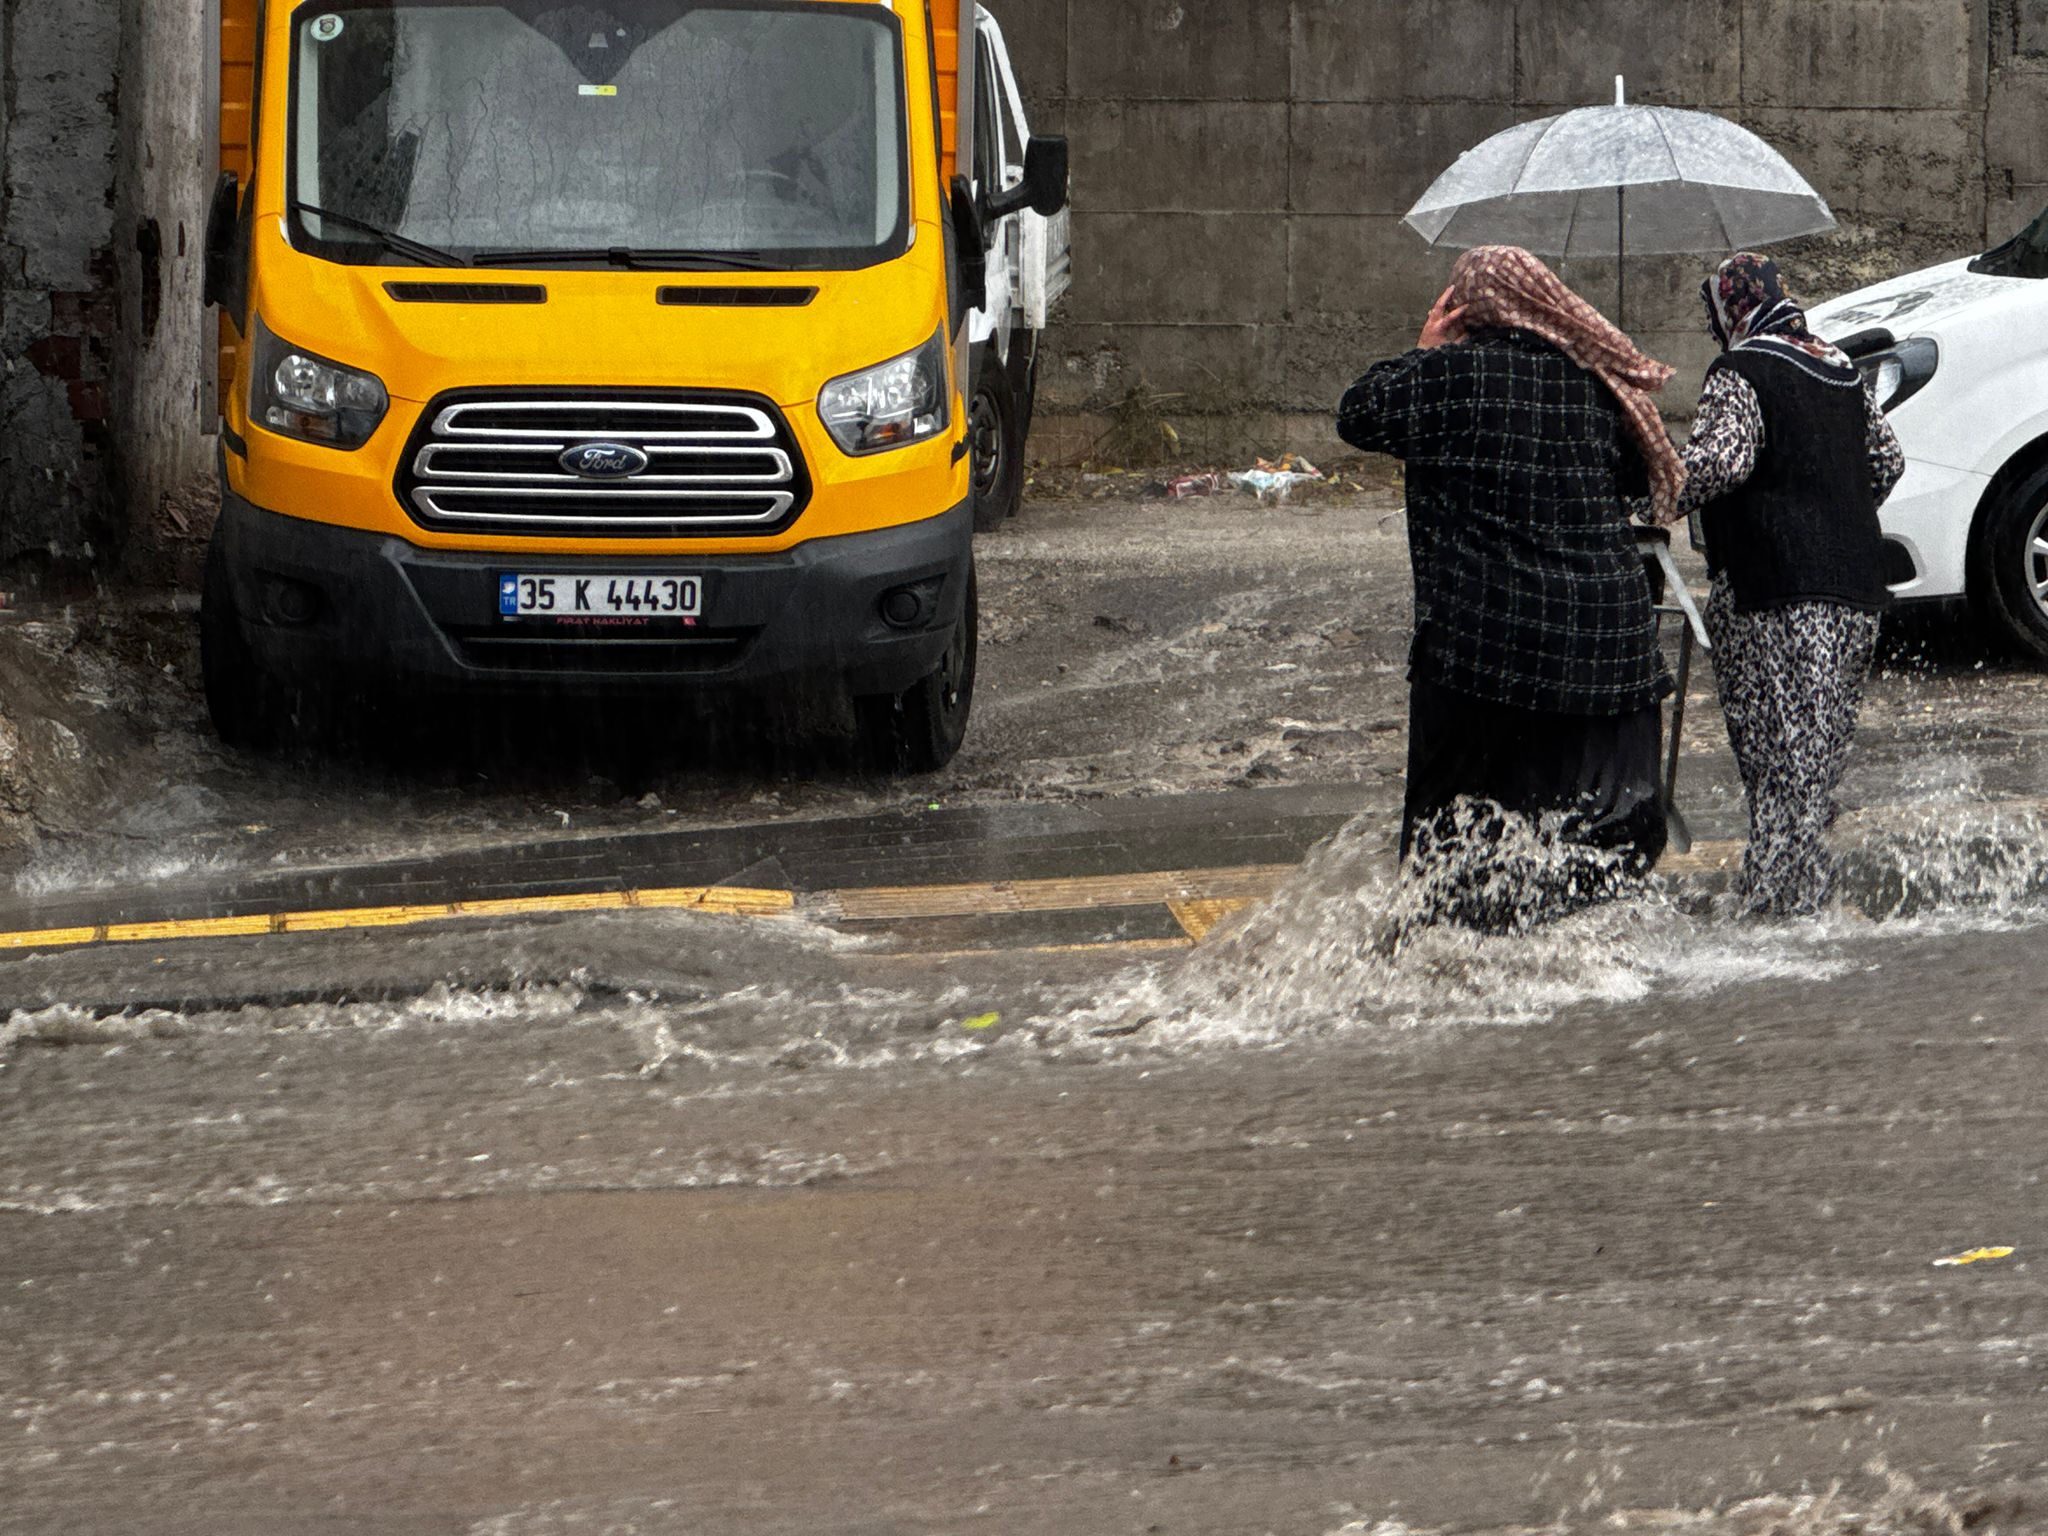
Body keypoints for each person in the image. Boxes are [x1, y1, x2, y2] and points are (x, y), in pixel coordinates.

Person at [1336, 245, 1684, 930]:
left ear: (1467, 308)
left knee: (1458, 845)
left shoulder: (1452, 375)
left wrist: (1424, 351)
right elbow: (1633, 482)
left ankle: (1458, 958)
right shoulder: (1595, 384)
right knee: (1581, 842)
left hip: (1488, 653)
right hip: (1606, 653)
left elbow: (1359, 413)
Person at [1658, 253, 1904, 918]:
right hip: (1857, 591)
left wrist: (1650, 490)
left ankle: (1775, 914)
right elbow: (1887, 460)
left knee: (1777, 766)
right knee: (1812, 768)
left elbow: (1721, 463)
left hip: (1775, 593)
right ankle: (1801, 901)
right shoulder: (1838, 366)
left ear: (1731, 308)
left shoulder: (1740, 370)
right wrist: (1832, 512)